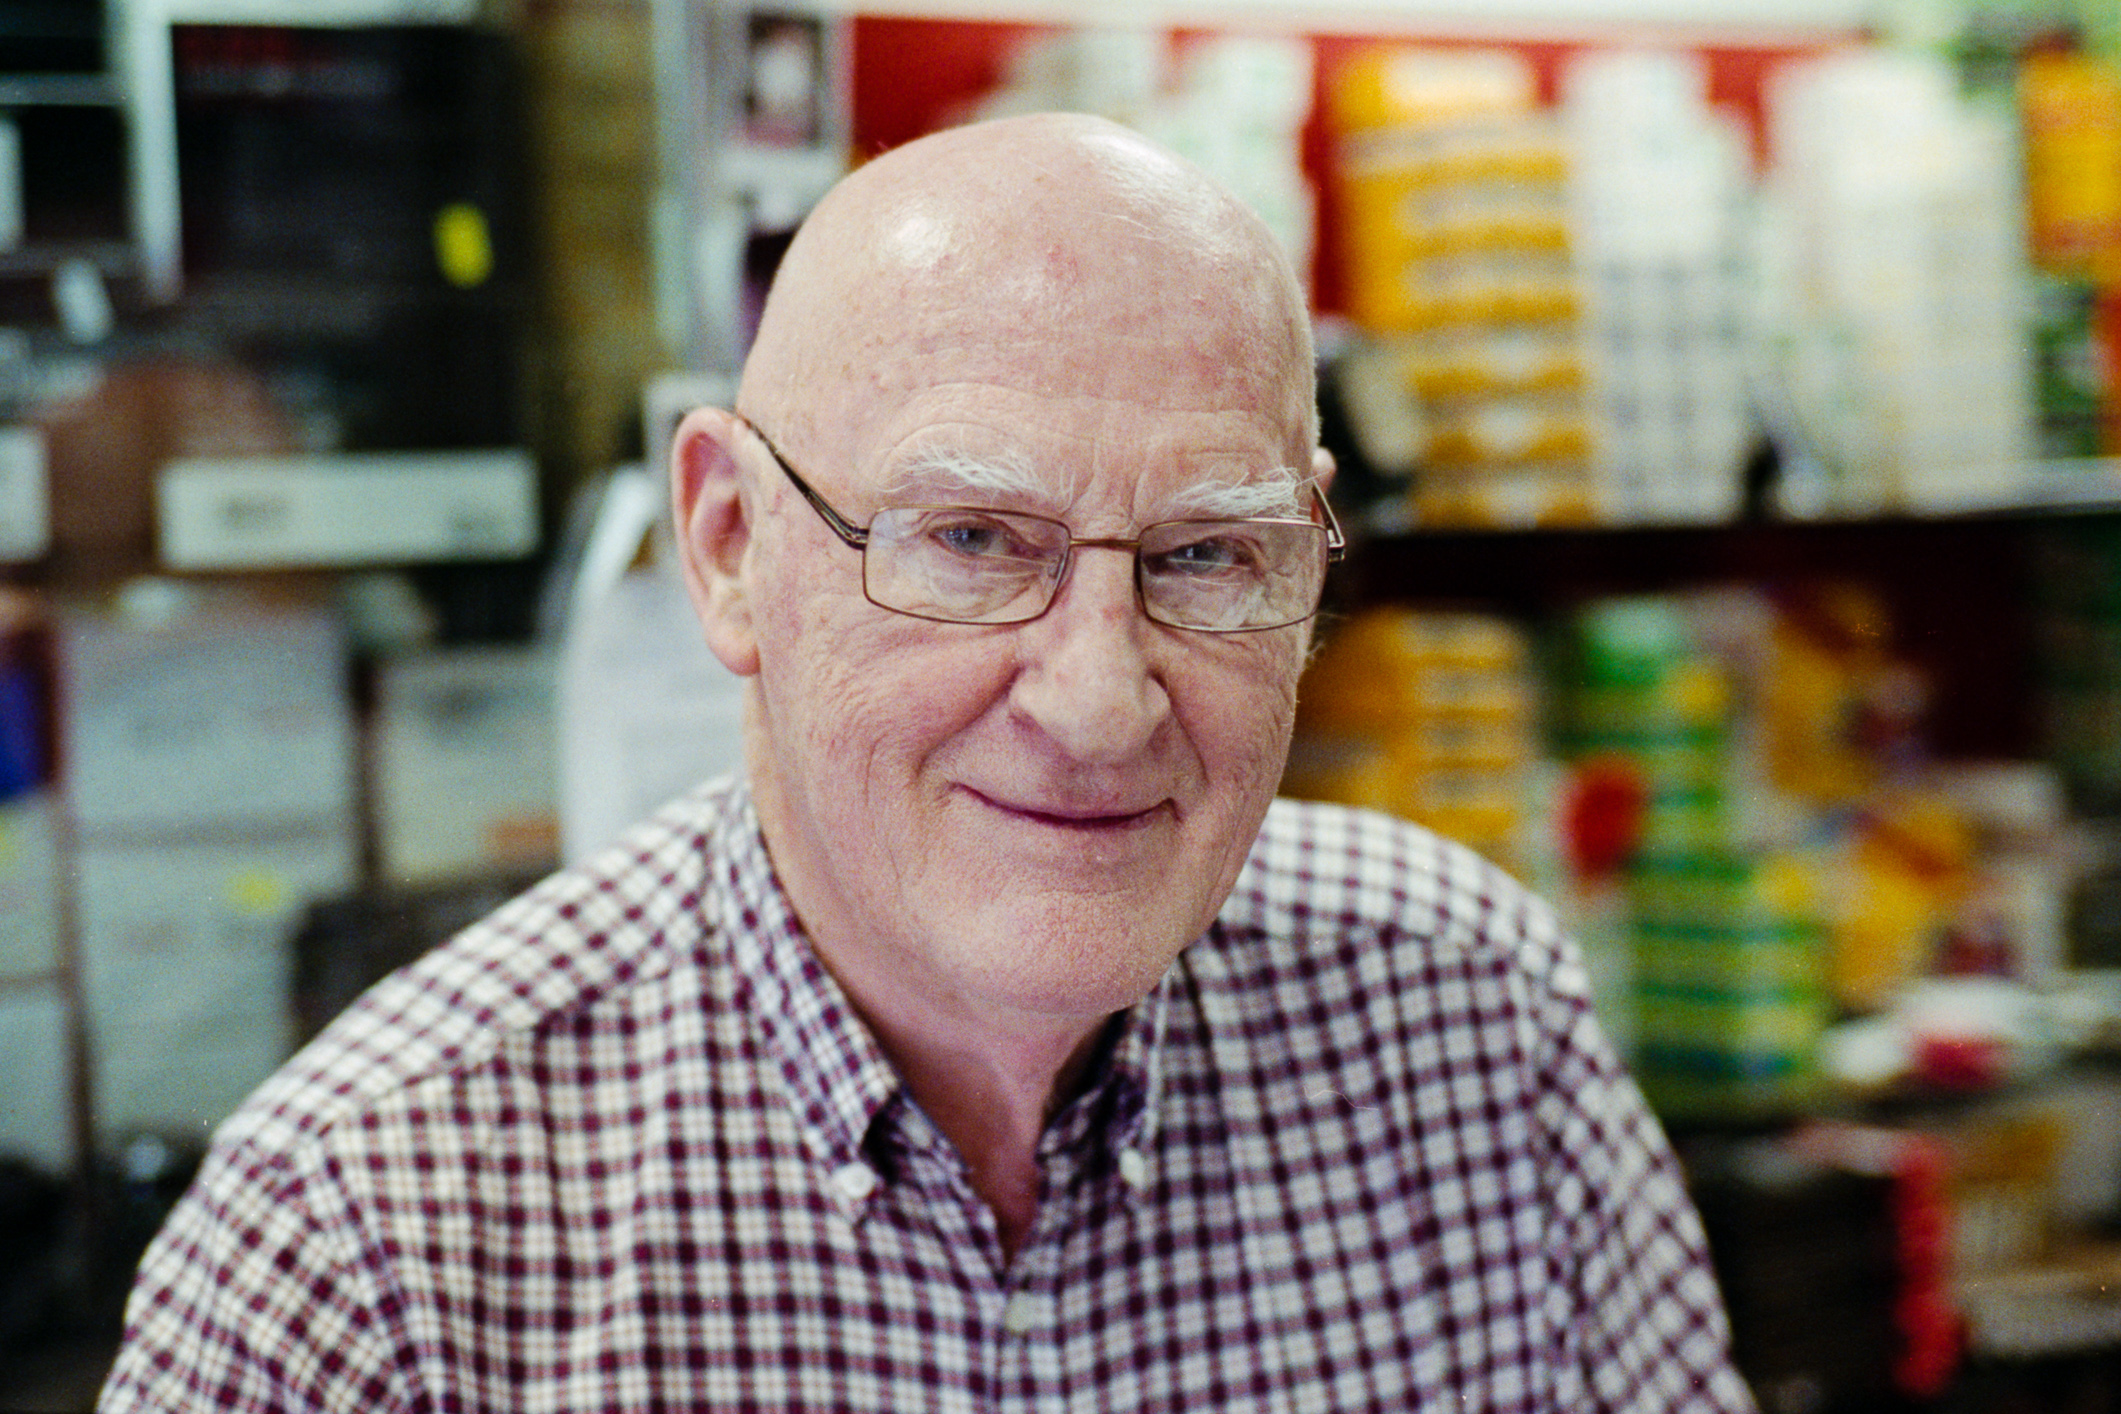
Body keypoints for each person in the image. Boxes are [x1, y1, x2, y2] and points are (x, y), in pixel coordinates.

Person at [99, 112, 1756, 1413]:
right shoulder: (363, 1236)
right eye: (971, 538)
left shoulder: (1462, 1023)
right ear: (732, 544)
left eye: (1203, 557)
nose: (1101, 698)